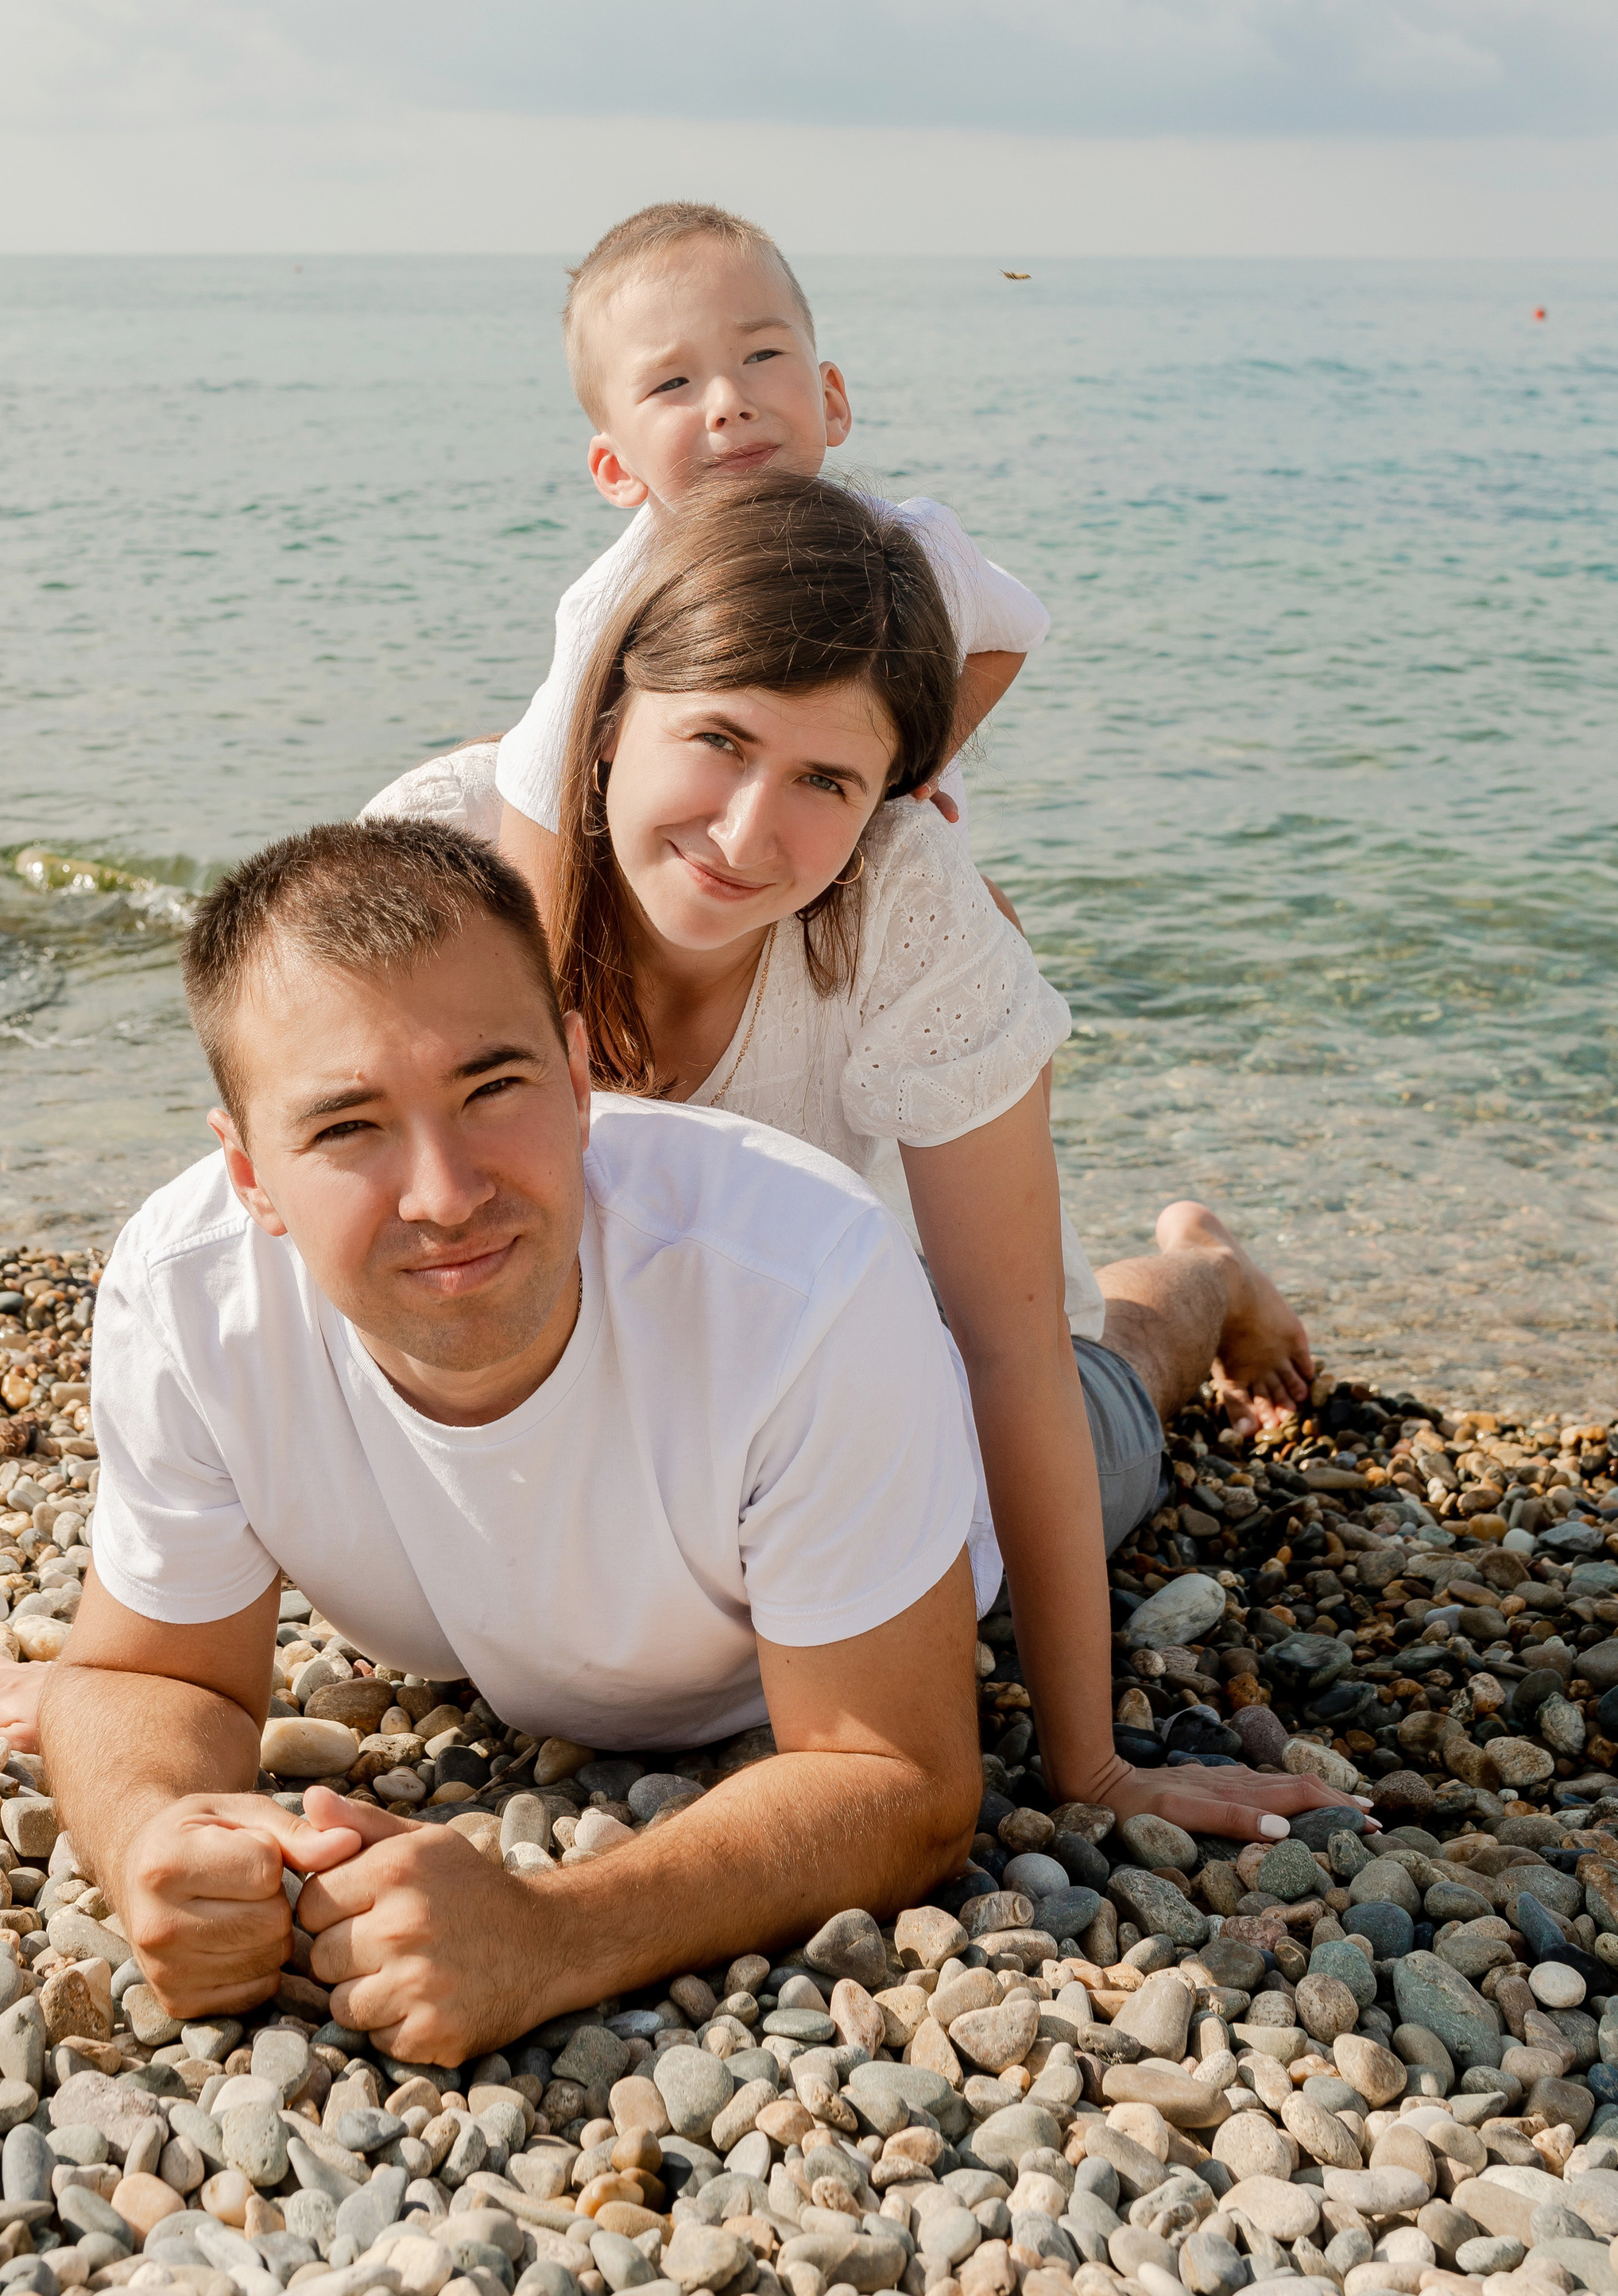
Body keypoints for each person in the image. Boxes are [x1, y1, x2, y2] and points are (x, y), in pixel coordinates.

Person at [354, 478, 1347, 1850]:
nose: (750, 834)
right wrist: (138, 1661)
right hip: (636, 1402)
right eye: (717, 739)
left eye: (828, 780)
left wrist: (1094, 1766)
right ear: (602, 722)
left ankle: (1194, 1275)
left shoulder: (906, 910)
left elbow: (1005, 1352)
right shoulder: (439, 865)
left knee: (1108, 1398)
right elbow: (286, 1229)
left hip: (899, 1366)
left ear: (895, 795)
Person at [29, 816, 992, 2064]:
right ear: (250, 1175)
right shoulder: (186, 1296)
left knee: (1113, 1398)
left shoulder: (806, 1283)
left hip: (937, 1480)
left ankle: (1189, 1287)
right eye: (348, 1129)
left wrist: (551, 1934)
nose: (445, 1195)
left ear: (582, 1078)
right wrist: (150, 1837)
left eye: (493, 1088)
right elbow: (147, 1673)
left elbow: (902, 1774)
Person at [494, 199, 1048, 893]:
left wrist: (911, 764)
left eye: (761, 354)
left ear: (832, 400)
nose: (729, 399)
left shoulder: (916, 555)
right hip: (728, 899)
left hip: (888, 905)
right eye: (673, 382)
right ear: (616, 470)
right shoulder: (616, 604)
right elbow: (540, 807)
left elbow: (1013, 632)